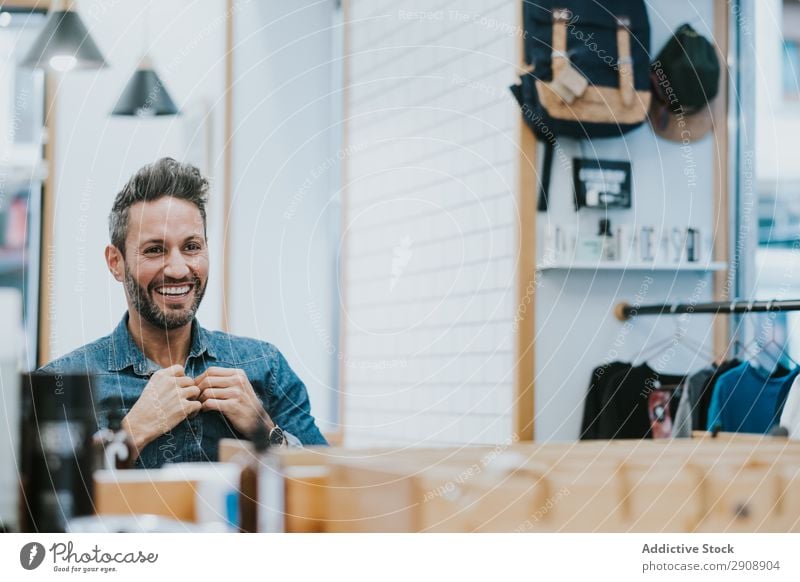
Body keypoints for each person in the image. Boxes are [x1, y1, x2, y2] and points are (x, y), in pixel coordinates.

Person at [39, 158, 327, 468]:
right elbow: (43, 501)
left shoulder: (266, 368)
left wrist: (265, 430)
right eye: (154, 249)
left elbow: (329, 487)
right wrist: (130, 434)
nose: (178, 269)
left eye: (191, 247)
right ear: (115, 262)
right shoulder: (62, 384)